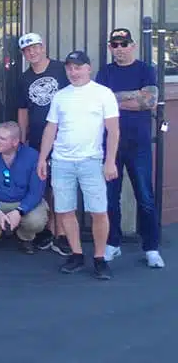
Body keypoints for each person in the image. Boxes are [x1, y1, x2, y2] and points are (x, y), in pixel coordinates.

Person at [37, 51, 120, 280]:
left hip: (91, 160)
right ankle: (76, 254)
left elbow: (113, 131)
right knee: (65, 210)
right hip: (62, 161)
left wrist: (110, 161)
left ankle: (100, 258)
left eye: (78, 67)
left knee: (99, 211)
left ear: (88, 68)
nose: (74, 72)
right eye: (70, 68)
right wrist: (42, 158)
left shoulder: (103, 94)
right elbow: (51, 129)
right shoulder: (60, 96)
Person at [95, 28, 164, 268]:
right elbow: (100, 103)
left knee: (145, 196)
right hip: (110, 145)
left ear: (132, 45)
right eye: (115, 44)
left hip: (138, 144)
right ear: (110, 47)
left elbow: (150, 101)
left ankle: (151, 248)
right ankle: (112, 243)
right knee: (110, 197)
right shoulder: (105, 72)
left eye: (124, 44)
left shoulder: (145, 70)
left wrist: (115, 99)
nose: (120, 49)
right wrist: (134, 96)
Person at [17, 32, 71, 254]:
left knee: (62, 187)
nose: (32, 52)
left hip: (65, 137)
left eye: (35, 47)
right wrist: (22, 139)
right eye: (27, 50)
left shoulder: (62, 69)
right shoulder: (24, 78)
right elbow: (22, 111)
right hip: (38, 140)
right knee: (44, 186)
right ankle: (48, 230)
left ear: (43, 47)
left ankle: (63, 233)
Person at [0, 121, 47, 253]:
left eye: (2, 139)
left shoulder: (33, 157)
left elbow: (36, 192)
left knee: (37, 221)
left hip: (22, 203)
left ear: (15, 142)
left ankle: (25, 237)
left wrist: (20, 211)